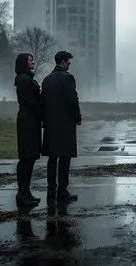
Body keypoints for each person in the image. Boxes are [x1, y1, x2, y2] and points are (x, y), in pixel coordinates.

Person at [41, 50, 82, 201]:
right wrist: (77, 118)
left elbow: (42, 102)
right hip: (65, 124)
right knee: (64, 158)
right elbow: (73, 100)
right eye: (69, 61)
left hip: (51, 124)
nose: (70, 64)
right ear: (63, 62)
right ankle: (62, 191)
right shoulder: (68, 78)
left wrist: (45, 120)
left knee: (52, 158)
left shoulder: (47, 79)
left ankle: (51, 190)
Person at [14, 53, 42, 206]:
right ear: (24, 63)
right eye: (30, 60)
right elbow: (30, 101)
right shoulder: (24, 79)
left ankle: (26, 192)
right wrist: (41, 111)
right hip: (27, 120)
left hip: (30, 119)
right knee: (26, 157)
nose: (33, 62)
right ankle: (22, 193)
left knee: (30, 157)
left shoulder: (26, 78)